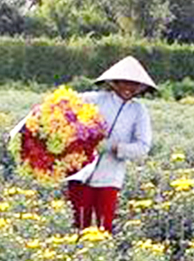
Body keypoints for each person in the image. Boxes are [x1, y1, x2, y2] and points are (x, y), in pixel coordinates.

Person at [66, 55, 155, 233]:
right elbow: (64, 106)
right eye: (125, 82)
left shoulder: (138, 111)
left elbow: (143, 147)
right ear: (115, 82)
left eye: (134, 85)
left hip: (110, 176)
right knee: (78, 224)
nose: (129, 88)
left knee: (103, 228)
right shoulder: (93, 99)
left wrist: (114, 147)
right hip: (80, 170)